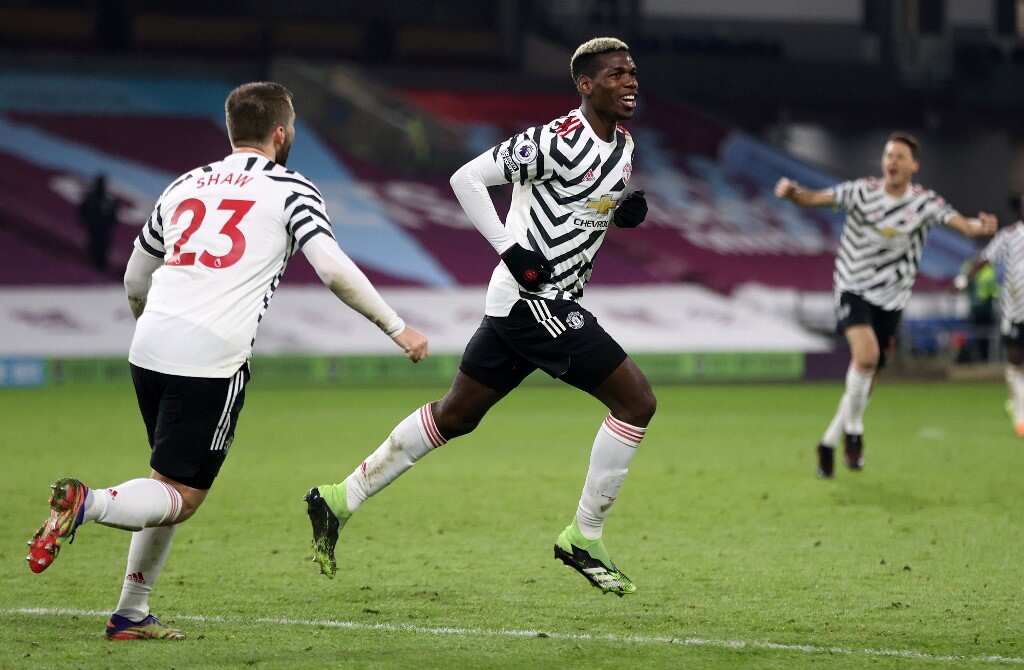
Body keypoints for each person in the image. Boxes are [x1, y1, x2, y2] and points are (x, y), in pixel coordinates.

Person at [26, 82, 428, 640]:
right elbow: (333, 269)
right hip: (210, 357)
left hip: (149, 349)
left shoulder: (184, 184)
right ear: (282, 133)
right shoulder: (293, 188)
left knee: (164, 481)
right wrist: (396, 327)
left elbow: (134, 278)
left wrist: (153, 326)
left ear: (230, 130)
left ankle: (131, 613)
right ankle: (85, 503)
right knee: (181, 498)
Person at [305, 37, 655, 596]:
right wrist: (510, 249)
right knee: (636, 401)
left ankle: (339, 498)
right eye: (616, 74)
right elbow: (465, 178)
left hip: (524, 305)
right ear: (586, 85)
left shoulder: (624, 147)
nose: (630, 82)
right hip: (535, 302)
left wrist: (622, 210)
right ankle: (583, 537)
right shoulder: (553, 140)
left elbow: (584, 205)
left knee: (455, 416)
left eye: (633, 72)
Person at [775, 132, 997, 478]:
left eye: (899, 157)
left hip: (892, 300)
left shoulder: (924, 203)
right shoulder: (862, 191)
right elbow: (816, 197)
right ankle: (855, 433)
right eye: (888, 155)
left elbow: (961, 224)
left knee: (866, 379)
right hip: (853, 288)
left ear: (914, 166)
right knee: (866, 358)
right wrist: (793, 194)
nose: (892, 161)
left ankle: (828, 442)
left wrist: (976, 226)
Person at [956, 214, 1024, 435]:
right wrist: (964, 280)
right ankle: (1020, 414)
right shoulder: (1009, 235)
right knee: (1015, 361)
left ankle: (1018, 405)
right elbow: (985, 258)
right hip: (1015, 312)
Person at [78, 174, 119, 273]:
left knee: (102, 248)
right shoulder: (91, 198)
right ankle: (95, 265)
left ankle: (100, 266)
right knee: (94, 246)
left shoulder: (108, 200)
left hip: (103, 229)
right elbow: (83, 211)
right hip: (94, 228)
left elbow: (113, 214)